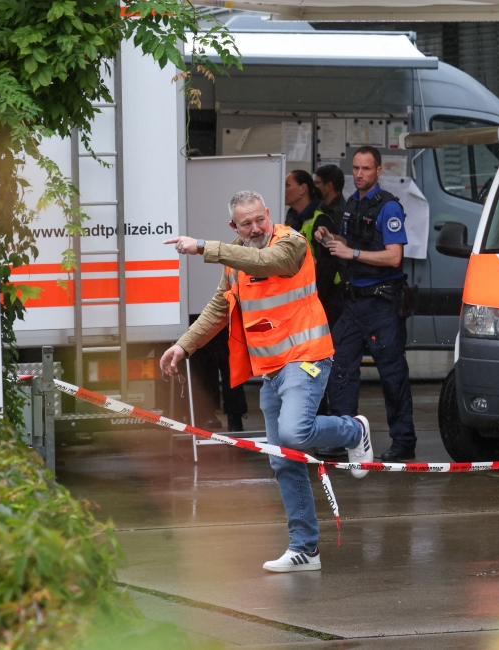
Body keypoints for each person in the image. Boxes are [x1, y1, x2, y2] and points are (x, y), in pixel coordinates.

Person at [159, 190, 374, 572]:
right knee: (282, 460)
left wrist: (204, 247)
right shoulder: (236, 261)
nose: (256, 227)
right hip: (270, 370)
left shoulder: (291, 242)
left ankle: (353, 431)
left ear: (268, 215)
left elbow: (268, 261)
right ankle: (305, 549)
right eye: (246, 223)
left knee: (293, 435)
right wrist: (183, 346)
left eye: (260, 219)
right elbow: (218, 309)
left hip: (306, 358)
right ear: (235, 227)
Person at [314, 146, 417, 462]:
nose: (359, 174)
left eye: (366, 169)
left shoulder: (388, 208)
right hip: (354, 302)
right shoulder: (351, 205)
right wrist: (330, 238)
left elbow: (394, 256)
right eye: (356, 169)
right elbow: (348, 244)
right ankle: (345, 438)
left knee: (392, 374)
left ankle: (403, 442)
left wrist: (353, 254)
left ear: (378, 171)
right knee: (340, 369)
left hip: (382, 303)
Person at [284, 170, 341, 328]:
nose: (283, 190)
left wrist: (314, 301)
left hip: (324, 298)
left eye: (287, 185)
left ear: (303, 189)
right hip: (300, 297)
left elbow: (329, 265)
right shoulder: (290, 220)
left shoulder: (321, 219)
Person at [314, 164, 347, 230]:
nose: (314, 187)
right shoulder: (320, 205)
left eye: (317, 183)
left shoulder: (340, 214)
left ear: (329, 185)